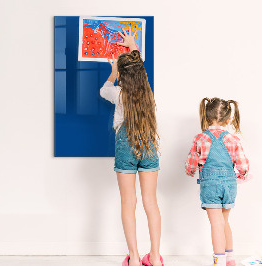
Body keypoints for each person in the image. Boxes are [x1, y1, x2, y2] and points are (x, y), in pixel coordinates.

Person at [100, 28, 163, 266]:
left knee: (129, 203)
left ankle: (135, 258)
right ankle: (155, 257)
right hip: (148, 146)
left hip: (125, 148)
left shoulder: (119, 94)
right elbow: (139, 69)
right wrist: (134, 46)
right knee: (151, 202)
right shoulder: (147, 93)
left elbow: (103, 90)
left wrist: (113, 71)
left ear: (123, 77)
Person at [185, 98, 250, 266]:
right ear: (228, 120)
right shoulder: (233, 139)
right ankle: (230, 260)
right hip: (229, 185)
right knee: (224, 222)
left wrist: (190, 171)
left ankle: (219, 261)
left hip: (210, 186)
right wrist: (242, 176)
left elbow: (190, 164)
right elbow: (243, 165)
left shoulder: (200, 138)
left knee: (216, 224)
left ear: (206, 117)